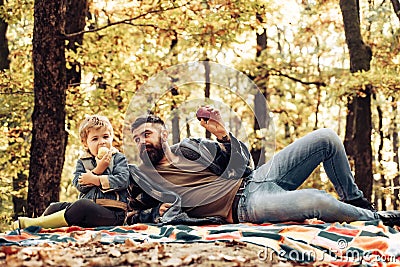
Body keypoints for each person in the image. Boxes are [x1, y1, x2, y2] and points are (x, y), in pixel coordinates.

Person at [125, 107, 400, 227]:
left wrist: (223, 135)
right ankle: (378, 219)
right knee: (318, 200)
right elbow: (130, 214)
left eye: (146, 135)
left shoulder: (192, 147)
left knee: (326, 138)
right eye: (137, 139)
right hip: (244, 207)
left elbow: (243, 165)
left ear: (162, 134)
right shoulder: (145, 180)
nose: (141, 143)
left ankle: (359, 204)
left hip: (256, 179)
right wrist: (152, 213)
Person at [12, 115, 130, 229]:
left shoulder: (119, 158)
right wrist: (97, 170)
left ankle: (36, 224)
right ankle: (39, 226)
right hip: (89, 213)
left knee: (83, 205)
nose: (102, 142)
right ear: (85, 143)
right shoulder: (83, 162)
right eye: (95, 139)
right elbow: (79, 185)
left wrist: (97, 179)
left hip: (112, 214)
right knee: (54, 207)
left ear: (112, 137)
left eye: (105, 137)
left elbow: (123, 181)